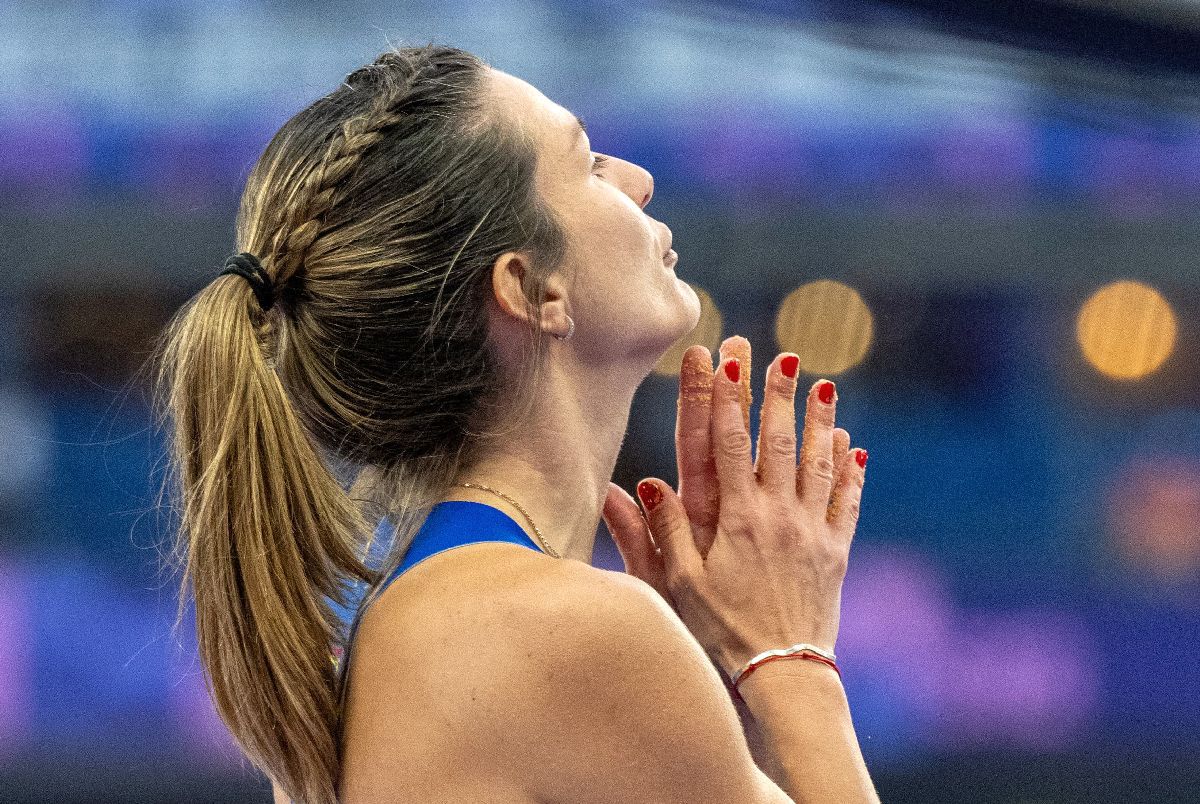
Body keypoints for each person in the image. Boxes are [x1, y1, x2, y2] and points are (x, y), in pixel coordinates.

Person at [149, 43, 878, 803]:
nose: (638, 180)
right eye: (589, 163)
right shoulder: (559, 630)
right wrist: (790, 656)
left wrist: (725, 686)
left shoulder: (429, 621)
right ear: (533, 288)